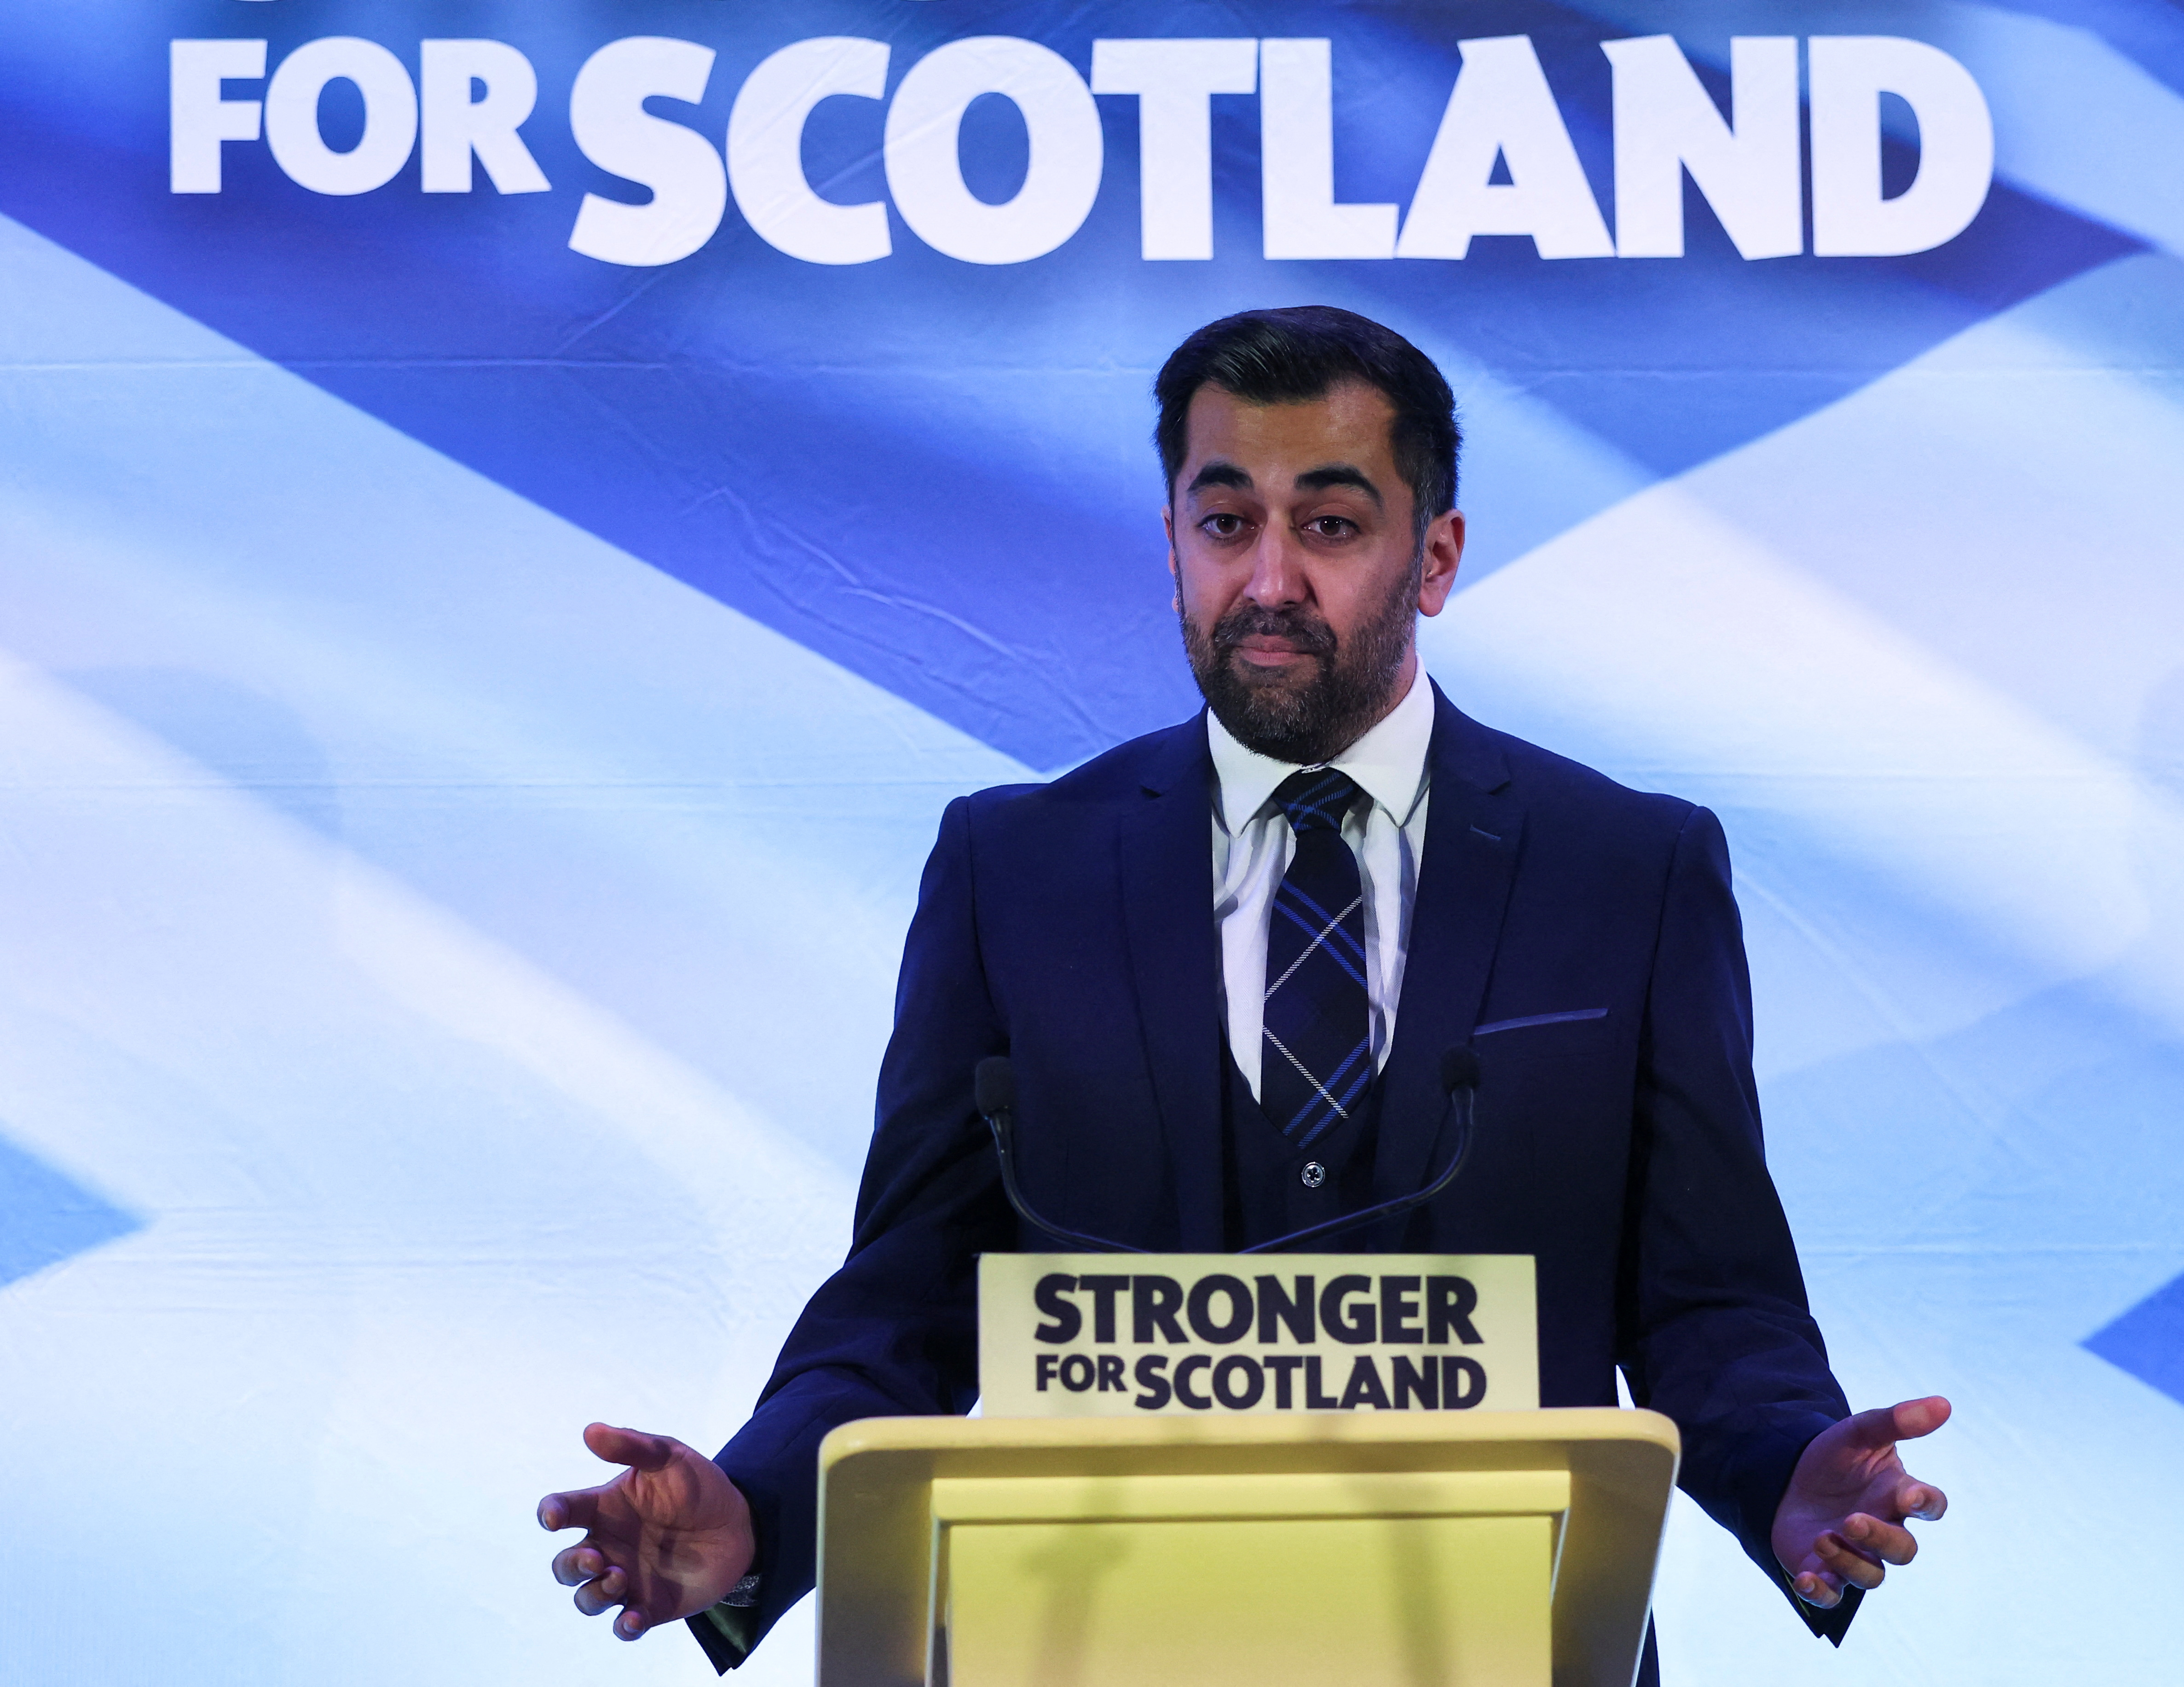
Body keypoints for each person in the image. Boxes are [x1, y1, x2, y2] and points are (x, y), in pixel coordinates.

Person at [537, 306, 1949, 1678]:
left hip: (1506, 1644)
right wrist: (756, 1507)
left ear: (1435, 555)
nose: (1268, 579)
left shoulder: (1628, 868)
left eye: (1328, 524)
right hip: (1083, 1646)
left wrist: (1791, 1468)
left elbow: (1708, 1300)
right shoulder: (1012, 868)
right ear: (1172, 544)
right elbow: (910, 1293)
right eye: (1225, 523)